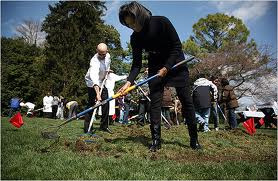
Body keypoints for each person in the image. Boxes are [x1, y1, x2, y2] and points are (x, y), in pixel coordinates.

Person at [118, 1, 201, 151]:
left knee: (186, 102)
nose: (133, 27)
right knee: (155, 104)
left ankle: (194, 140)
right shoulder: (135, 38)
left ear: (140, 16)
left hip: (175, 63)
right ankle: (156, 140)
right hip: (156, 66)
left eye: (134, 23)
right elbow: (137, 64)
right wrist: (128, 82)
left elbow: (177, 46)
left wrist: (167, 67)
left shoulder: (161, 22)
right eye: (129, 25)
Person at [84, 43, 112, 134]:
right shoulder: (94, 62)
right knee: (92, 104)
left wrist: (108, 71)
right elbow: (94, 79)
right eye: (99, 54)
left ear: (106, 52)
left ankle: (104, 126)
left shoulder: (108, 56)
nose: (101, 56)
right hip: (92, 82)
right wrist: (97, 94)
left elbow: (107, 65)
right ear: (97, 51)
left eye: (103, 54)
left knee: (106, 102)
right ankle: (88, 128)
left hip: (102, 82)